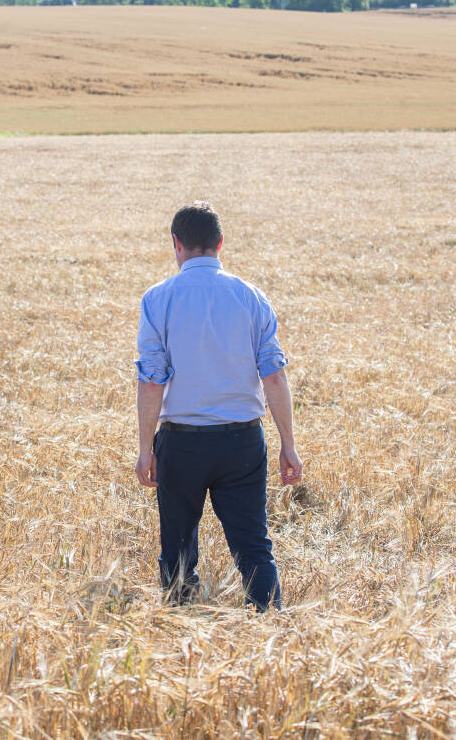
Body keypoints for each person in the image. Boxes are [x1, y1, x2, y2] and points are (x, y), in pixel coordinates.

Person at [134, 201, 302, 611]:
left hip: (181, 444)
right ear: (220, 243)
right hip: (242, 441)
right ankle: (269, 624)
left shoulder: (157, 299)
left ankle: (178, 627)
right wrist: (288, 443)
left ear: (176, 244)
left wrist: (144, 448)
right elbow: (275, 376)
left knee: (177, 548)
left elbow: (152, 380)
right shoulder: (251, 297)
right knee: (253, 546)